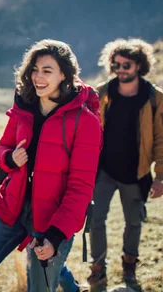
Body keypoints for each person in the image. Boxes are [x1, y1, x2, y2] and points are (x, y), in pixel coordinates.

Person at [0, 39, 102, 292]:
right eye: (34, 70)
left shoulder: (85, 122)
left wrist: (56, 236)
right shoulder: (24, 105)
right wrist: (5, 166)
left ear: (64, 75)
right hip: (11, 207)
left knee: (39, 288)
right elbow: (5, 146)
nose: (38, 77)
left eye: (47, 71)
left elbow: (81, 187)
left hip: (51, 220)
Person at [87, 38, 163, 289]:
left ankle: (129, 267)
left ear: (139, 65)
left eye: (126, 65)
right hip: (103, 172)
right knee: (95, 220)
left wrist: (160, 176)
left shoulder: (155, 98)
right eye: (116, 64)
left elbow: (161, 139)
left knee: (133, 222)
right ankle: (98, 269)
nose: (120, 69)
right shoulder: (102, 93)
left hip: (137, 173)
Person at [0, 175, 82, 292]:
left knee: (46, 262)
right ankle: (72, 288)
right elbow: (16, 164)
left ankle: (73, 288)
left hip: (49, 216)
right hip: (27, 213)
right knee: (36, 261)